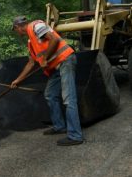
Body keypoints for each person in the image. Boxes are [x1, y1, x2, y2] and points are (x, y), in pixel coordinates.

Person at [11, 16, 83, 146]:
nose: (17, 33)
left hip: (65, 60)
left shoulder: (36, 25)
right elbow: (31, 63)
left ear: (18, 27)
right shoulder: (30, 42)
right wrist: (17, 80)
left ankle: (75, 135)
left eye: (16, 30)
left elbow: (54, 39)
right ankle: (59, 126)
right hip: (56, 67)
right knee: (50, 94)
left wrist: (45, 58)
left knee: (68, 98)